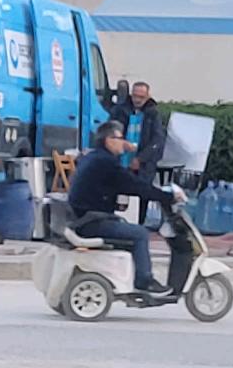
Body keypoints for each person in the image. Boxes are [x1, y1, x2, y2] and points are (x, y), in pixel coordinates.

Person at [66, 120, 176, 293]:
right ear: (109, 141)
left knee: (126, 227)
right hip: (92, 222)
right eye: (120, 138)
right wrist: (168, 197)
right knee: (140, 234)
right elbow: (134, 185)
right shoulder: (106, 163)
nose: (124, 142)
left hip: (84, 218)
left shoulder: (93, 157)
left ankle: (130, 278)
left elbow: (123, 182)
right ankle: (145, 281)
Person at [125, 80, 167, 220]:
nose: (137, 100)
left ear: (148, 97)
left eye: (141, 97)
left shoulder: (153, 113)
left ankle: (140, 221)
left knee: (143, 193)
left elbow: (158, 140)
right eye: (135, 96)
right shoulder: (121, 110)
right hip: (123, 158)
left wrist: (141, 158)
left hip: (144, 163)